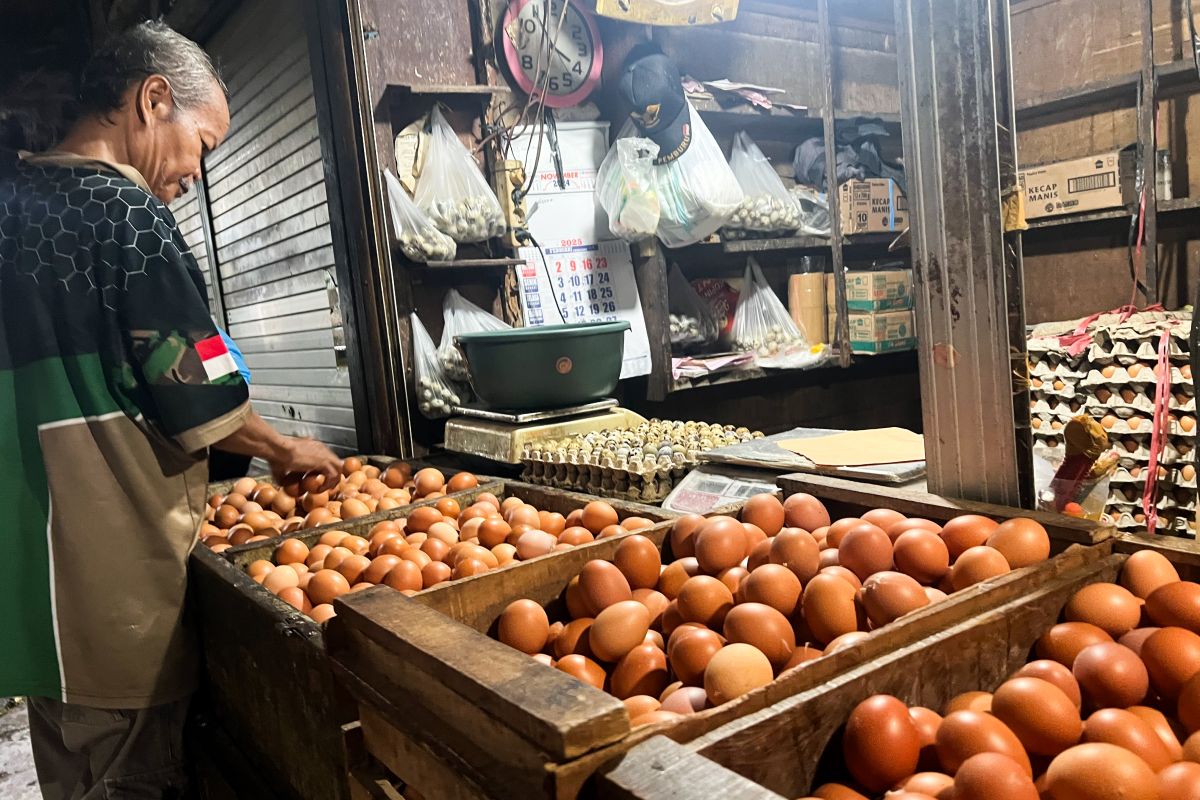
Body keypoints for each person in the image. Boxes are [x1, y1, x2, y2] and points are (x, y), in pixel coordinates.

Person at [0, 20, 343, 799]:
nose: (197, 172)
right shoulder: (127, 218)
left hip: (35, 602)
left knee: (73, 771)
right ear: (154, 100)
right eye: (204, 144)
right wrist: (283, 448)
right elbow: (199, 387)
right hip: (112, 596)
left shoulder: (16, 207)